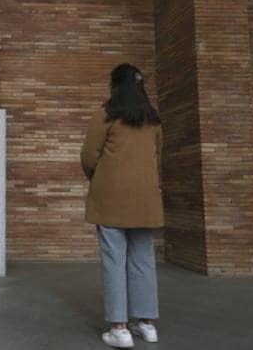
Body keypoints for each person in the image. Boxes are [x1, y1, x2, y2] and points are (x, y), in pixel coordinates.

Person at [81, 64, 163, 348]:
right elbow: (157, 157)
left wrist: (100, 177)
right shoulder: (152, 119)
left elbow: (89, 156)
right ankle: (146, 324)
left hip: (111, 198)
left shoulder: (106, 114)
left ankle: (119, 329)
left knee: (115, 261)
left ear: (114, 87)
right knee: (143, 260)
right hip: (146, 198)